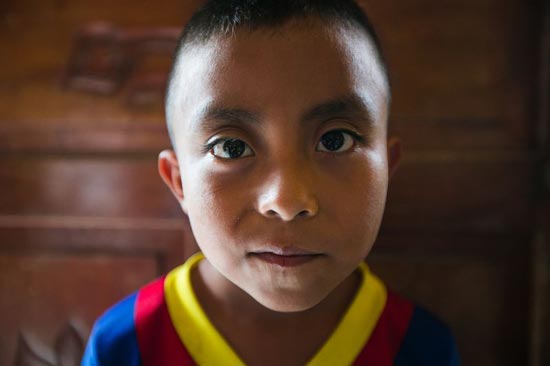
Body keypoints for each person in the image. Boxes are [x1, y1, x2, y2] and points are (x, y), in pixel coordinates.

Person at [82, 1, 460, 365]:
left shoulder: (419, 348)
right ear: (180, 183)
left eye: (335, 140)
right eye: (231, 147)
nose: (287, 199)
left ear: (387, 171)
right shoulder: (125, 346)